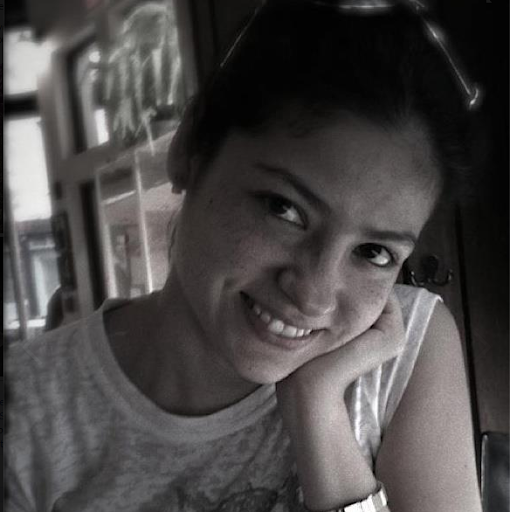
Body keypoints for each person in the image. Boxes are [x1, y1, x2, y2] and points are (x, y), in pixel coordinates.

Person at [5, 1, 484, 511]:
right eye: (284, 208)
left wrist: (318, 412)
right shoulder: (29, 406)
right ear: (190, 149)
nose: (314, 296)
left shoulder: (402, 353)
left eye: (374, 251)